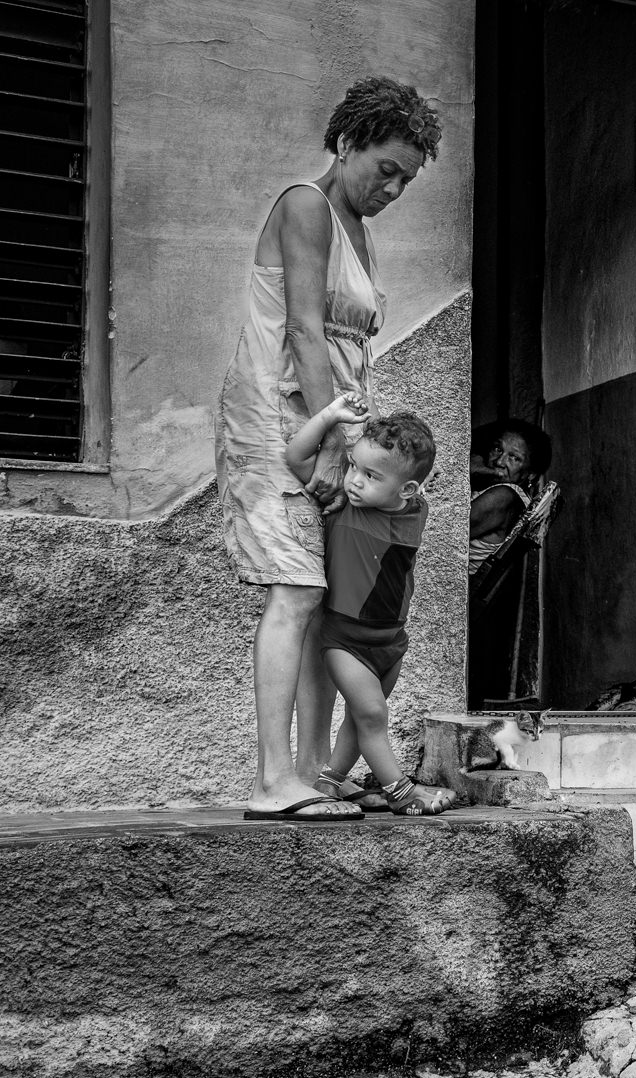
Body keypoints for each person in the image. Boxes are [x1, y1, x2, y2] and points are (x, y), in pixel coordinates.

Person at [216, 76, 442, 820]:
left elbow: (349, 350)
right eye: (387, 169)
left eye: (407, 180)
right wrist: (334, 448)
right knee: (296, 592)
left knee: (321, 604)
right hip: (279, 422)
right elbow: (305, 332)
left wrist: (360, 444)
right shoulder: (305, 205)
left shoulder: (359, 230)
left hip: (331, 429)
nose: (394, 189)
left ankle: (313, 773)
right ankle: (273, 781)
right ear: (346, 143)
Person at [268, 393, 454, 818]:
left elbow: (417, 473)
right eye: (354, 466)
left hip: (392, 640)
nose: (354, 480)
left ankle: (329, 781)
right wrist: (329, 416)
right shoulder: (340, 505)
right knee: (372, 714)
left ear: (408, 490)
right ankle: (400, 791)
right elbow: (296, 456)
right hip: (344, 639)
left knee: (360, 718)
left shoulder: (416, 509)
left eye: (370, 475)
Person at [468, 417, 553, 577]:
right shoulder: (501, 491)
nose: (499, 461)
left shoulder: (504, 496)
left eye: (514, 458)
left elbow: (446, 530)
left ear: (531, 474)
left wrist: (467, 468)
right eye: (497, 449)